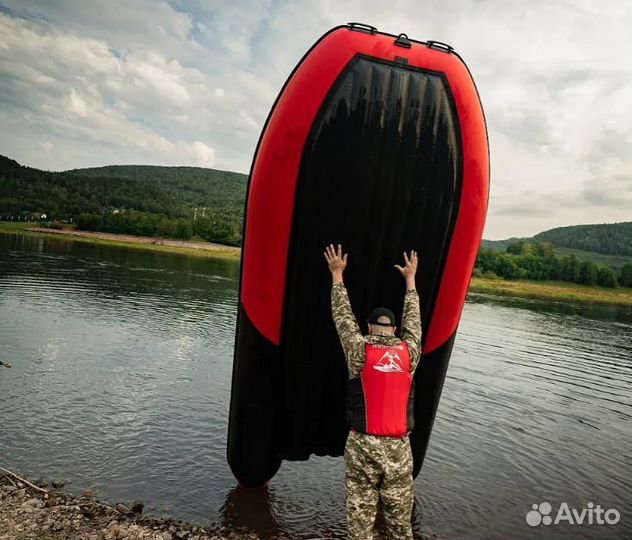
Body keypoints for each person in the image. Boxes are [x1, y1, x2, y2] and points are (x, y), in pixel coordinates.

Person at [323, 244, 422, 540]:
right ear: (393, 329)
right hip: (399, 447)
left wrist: (337, 274)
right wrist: (410, 280)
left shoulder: (358, 349)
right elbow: (414, 324)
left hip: (362, 445)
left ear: (368, 327)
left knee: (360, 521)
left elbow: (342, 317)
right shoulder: (410, 352)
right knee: (400, 524)